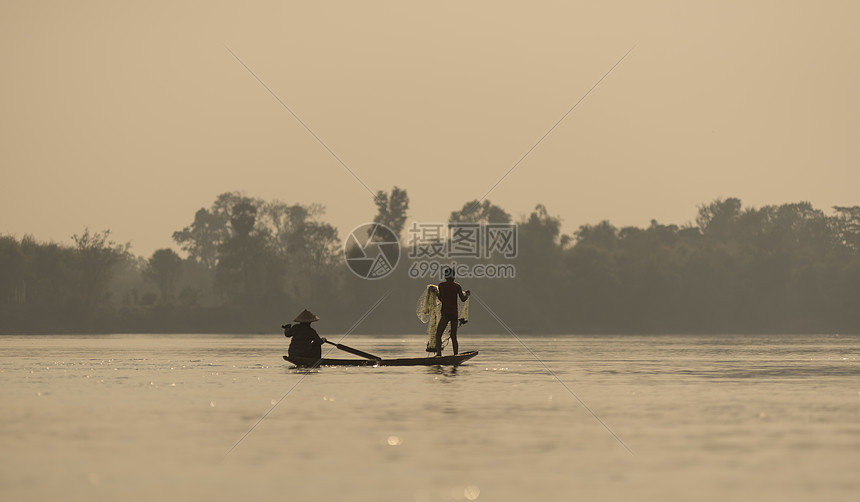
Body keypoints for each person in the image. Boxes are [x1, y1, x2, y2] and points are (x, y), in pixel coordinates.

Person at [434, 267, 470, 356]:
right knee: (453, 337)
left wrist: (436, 294)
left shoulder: (441, 285)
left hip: (446, 314)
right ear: (454, 277)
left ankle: (439, 355)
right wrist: (467, 294)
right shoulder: (457, 286)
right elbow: (463, 299)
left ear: (445, 277)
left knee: (438, 335)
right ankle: (455, 355)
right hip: (454, 314)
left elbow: (441, 299)